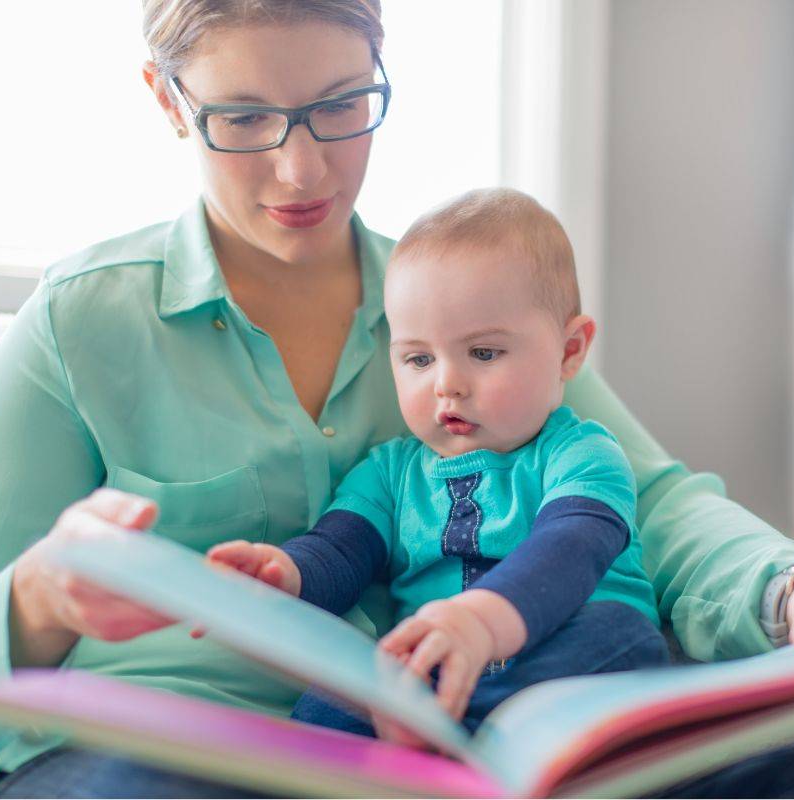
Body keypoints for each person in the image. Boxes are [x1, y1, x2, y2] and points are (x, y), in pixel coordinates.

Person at [0, 1, 794, 798]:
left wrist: (786, 588)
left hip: (439, 742)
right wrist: (43, 596)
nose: (301, 167)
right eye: (246, 117)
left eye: (340, 105)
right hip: (170, 760)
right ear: (168, 99)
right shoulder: (82, 324)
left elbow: (652, 501)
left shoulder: (466, 308)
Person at [206, 188, 671, 741]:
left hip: (564, 655)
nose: (447, 383)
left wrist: (479, 621)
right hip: (433, 676)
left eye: (483, 353)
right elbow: (339, 550)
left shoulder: (580, 453)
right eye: (420, 359)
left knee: (623, 637)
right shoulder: (389, 473)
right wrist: (286, 575)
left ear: (570, 351)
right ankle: (411, 746)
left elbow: (572, 547)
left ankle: (451, 732)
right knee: (327, 702)